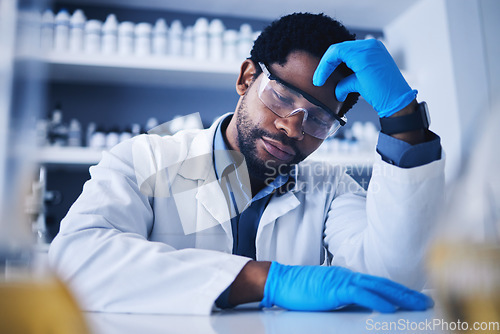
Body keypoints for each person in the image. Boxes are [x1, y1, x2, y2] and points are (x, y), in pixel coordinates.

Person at [49, 13, 444, 315]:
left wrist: (402, 117)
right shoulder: (146, 159)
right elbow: (76, 262)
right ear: (246, 78)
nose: (292, 127)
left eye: (320, 118)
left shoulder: (330, 187)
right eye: (282, 96)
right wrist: (263, 279)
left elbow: (392, 281)